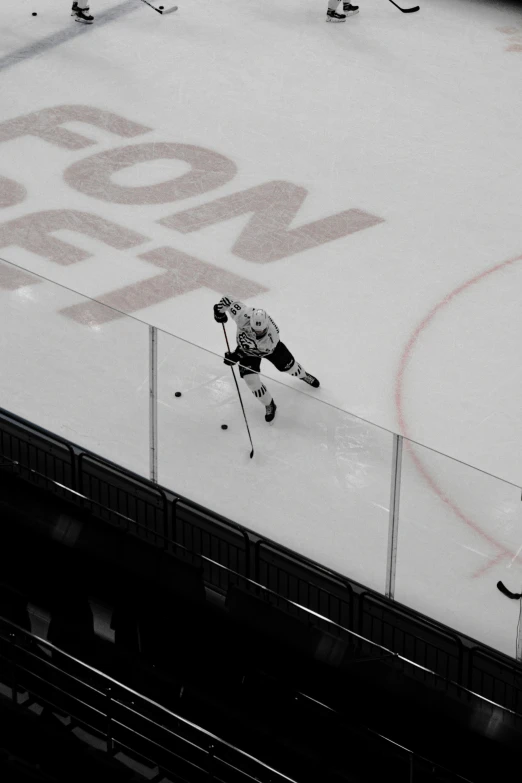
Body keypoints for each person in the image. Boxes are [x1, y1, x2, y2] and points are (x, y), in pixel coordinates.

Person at [213, 296, 320, 424]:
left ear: (266, 326)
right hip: (245, 350)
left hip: (271, 351)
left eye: (261, 331)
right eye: (255, 330)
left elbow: (253, 350)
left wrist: (236, 356)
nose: (258, 333)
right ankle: (269, 404)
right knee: (251, 381)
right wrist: (218, 313)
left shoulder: (272, 336)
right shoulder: (242, 314)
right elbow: (226, 301)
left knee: (291, 368)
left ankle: (303, 375)